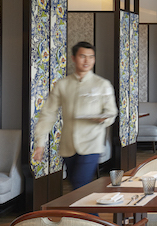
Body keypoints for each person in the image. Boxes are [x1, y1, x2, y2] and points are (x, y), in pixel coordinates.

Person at [33, 41, 118, 189]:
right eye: (82, 56)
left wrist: (104, 119)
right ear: (73, 58)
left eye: (91, 57)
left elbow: (112, 112)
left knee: (80, 183)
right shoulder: (62, 84)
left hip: (92, 143)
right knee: (75, 184)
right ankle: (86, 205)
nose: (87, 61)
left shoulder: (102, 84)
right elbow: (48, 113)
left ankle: (87, 205)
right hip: (68, 144)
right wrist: (40, 143)